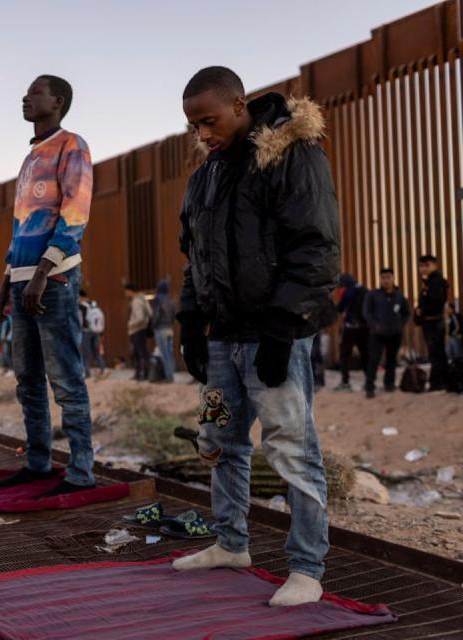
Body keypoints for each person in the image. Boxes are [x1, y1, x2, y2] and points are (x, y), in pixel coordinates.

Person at [173, 67, 340, 607]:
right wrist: (191, 324)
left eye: (209, 121)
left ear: (239, 105)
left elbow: (316, 248)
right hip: (222, 341)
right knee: (219, 439)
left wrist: (282, 329)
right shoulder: (208, 174)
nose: (202, 134)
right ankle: (230, 543)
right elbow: (192, 257)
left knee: (291, 447)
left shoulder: (292, 153)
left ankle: (307, 568)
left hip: (276, 340)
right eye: (194, 126)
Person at [0, 74, 95, 497]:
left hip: (54, 278)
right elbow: (21, 227)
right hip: (22, 279)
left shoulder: (73, 145)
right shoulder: (31, 156)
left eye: (35, 92)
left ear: (59, 100)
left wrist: (41, 274)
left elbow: (75, 212)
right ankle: (37, 462)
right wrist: (6, 280)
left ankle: (81, 472)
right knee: (27, 378)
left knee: (65, 377)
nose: (25, 98)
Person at [363, 268, 410, 398]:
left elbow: (406, 313)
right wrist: (375, 326)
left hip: (395, 334)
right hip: (377, 334)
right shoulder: (373, 295)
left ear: (393, 278)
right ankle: (369, 387)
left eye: (388, 277)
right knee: (373, 360)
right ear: (380, 279)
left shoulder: (399, 296)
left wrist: (400, 325)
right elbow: (367, 312)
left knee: (392, 360)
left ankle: (389, 384)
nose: (386, 280)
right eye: (383, 277)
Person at [415, 254, 449, 391]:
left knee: (436, 353)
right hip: (431, 322)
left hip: (434, 322)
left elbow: (437, 303)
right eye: (421, 265)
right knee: (437, 353)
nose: (423, 268)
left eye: (426, 265)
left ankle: (437, 383)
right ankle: (441, 381)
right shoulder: (430, 282)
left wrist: (421, 311)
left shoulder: (436, 282)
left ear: (434, 265)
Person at [333, 273, 368, 391]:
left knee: (344, 355)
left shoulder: (348, 291)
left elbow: (341, 308)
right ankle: (369, 381)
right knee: (365, 354)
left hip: (350, 328)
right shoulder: (364, 289)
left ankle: (345, 382)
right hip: (365, 328)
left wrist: (332, 306)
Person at [125, 283, 153, 382]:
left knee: (139, 353)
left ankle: (141, 374)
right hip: (142, 329)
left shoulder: (136, 301)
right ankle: (144, 374)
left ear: (130, 291)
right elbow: (150, 313)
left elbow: (140, 317)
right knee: (142, 352)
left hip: (137, 330)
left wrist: (130, 324)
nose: (126, 294)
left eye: (126, 292)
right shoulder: (143, 299)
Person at [151, 278, 177, 383]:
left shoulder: (158, 300)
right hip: (170, 329)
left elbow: (156, 315)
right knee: (169, 353)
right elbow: (174, 316)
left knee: (164, 353)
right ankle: (171, 374)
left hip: (161, 329)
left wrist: (153, 326)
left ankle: (168, 376)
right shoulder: (170, 300)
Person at [84, 297, 107, 378]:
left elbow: (85, 321)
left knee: (86, 353)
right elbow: (102, 322)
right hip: (97, 332)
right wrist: (101, 333)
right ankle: (102, 368)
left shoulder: (85, 308)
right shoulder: (99, 311)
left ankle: (87, 372)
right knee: (97, 352)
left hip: (87, 332)